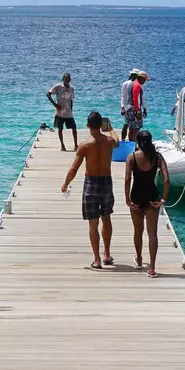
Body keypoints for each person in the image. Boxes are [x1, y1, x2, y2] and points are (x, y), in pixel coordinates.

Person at [60, 112, 118, 268]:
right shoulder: (109, 142)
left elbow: (73, 169)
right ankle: (107, 254)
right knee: (106, 219)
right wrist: (111, 129)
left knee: (93, 224)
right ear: (101, 125)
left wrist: (65, 184)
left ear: (87, 125)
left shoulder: (85, 145)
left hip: (91, 183)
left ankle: (97, 259)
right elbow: (117, 142)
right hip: (106, 182)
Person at [125, 129, 169, 277]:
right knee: (152, 233)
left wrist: (127, 199)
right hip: (152, 197)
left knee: (138, 232)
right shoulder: (157, 157)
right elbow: (166, 180)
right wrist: (163, 199)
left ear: (137, 142)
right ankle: (152, 268)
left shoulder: (131, 157)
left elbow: (127, 179)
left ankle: (139, 260)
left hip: (136, 197)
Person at [46, 72, 78, 150]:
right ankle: (62, 145)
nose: (67, 80)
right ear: (63, 79)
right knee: (60, 129)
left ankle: (76, 145)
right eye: (66, 78)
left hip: (68, 113)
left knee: (74, 128)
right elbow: (48, 94)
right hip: (59, 113)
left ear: (70, 79)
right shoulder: (58, 87)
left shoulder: (71, 89)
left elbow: (71, 100)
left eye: (68, 79)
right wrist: (55, 104)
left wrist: (71, 110)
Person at [120, 69, 148, 142]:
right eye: (144, 79)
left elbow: (140, 98)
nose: (145, 81)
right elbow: (135, 98)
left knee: (131, 128)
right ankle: (132, 145)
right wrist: (138, 111)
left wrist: (144, 108)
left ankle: (130, 145)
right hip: (134, 108)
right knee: (135, 129)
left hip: (128, 107)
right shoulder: (136, 85)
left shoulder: (132, 84)